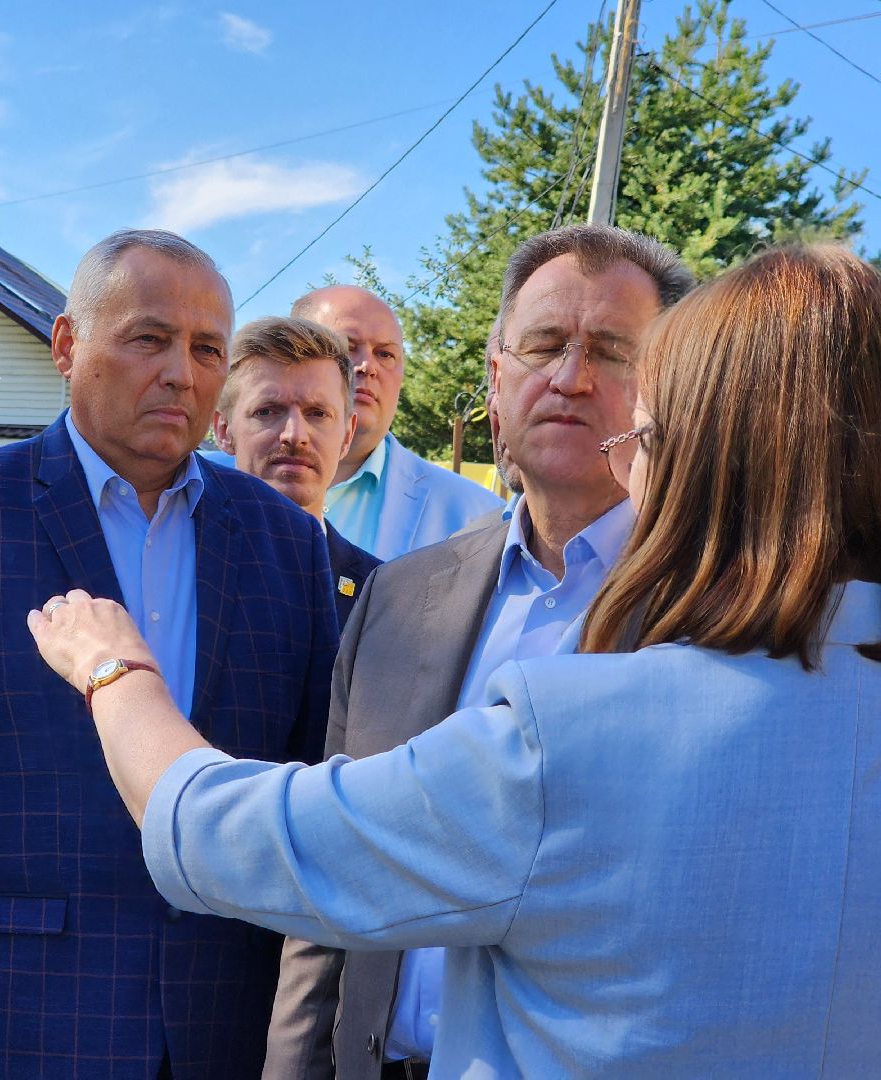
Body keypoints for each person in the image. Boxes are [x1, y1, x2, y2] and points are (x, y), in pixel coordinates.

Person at [28, 245, 881, 1077]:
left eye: (643, 422)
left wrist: (117, 672)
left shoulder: (582, 729)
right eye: (542, 346)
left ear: (709, 458)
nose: (610, 431)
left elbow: (236, 836)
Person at [0, 229, 338, 1079]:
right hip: (7, 1032)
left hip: (225, 1035)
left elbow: (309, 800)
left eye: (208, 349)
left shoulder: (285, 540)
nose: (182, 372)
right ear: (67, 345)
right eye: (148, 338)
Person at [266, 225, 695, 1079]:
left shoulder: (714, 610)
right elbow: (331, 872)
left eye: (611, 351)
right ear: (497, 380)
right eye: (543, 345)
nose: (570, 379)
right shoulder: (398, 595)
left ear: (666, 394)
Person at [291, 285, 502, 560]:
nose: (367, 366)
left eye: (385, 354)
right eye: (345, 347)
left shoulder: (477, 519)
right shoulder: (219, 483)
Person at [212, 315, 380, 628]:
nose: (295, 434)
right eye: (267, 412)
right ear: (224, 430)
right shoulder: (179, 568)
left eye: (318, 414)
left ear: (346, 435)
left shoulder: (381, 594)